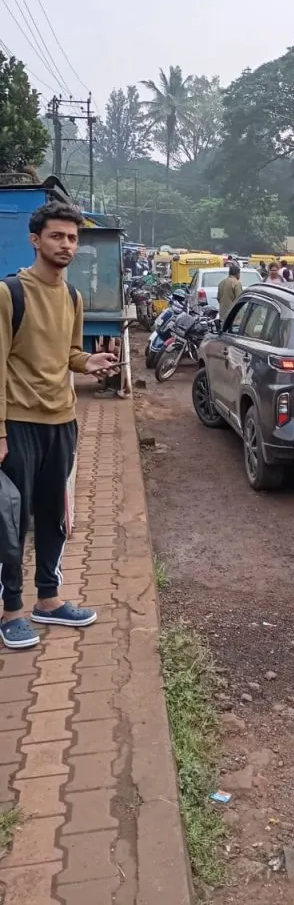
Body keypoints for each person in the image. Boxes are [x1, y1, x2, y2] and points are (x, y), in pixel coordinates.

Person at [0, 202, 119, 649]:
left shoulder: (72, 297)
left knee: (55, 516)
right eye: (57, 236)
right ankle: (10, 609)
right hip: (20, 423)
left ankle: (47, 601)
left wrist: (90, 361)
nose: (66, 244)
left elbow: (69, 354)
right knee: (11, 521)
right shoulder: (9, 293)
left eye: (72, 238)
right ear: (36, 240)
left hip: (62, 421)